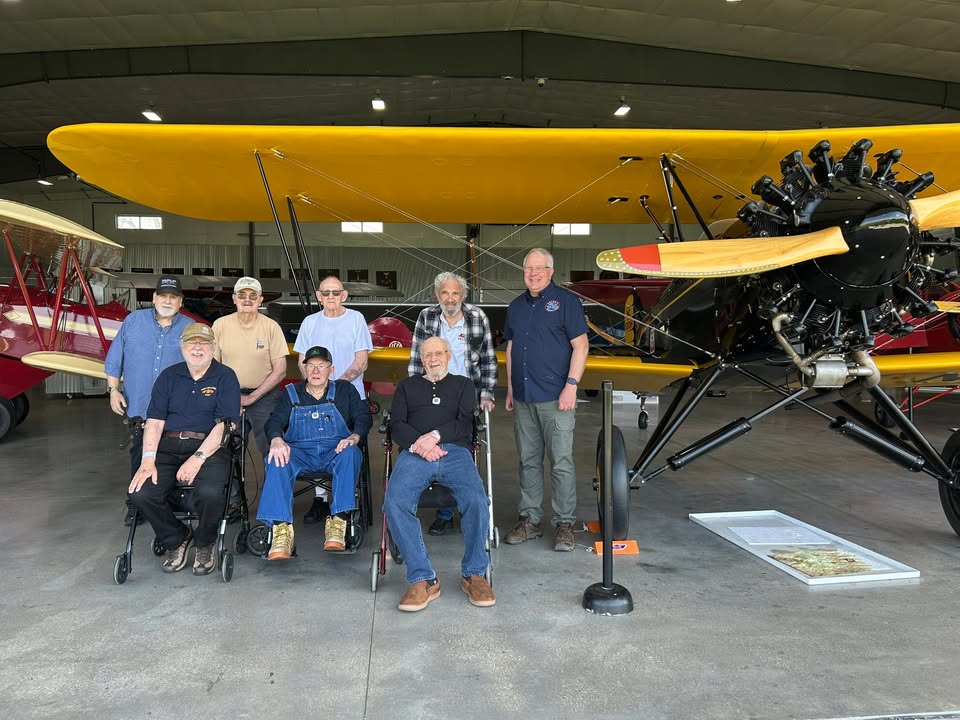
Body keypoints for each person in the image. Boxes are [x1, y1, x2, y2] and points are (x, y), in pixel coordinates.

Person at [383, 336, 495, 612]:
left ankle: (475, 574)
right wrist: (420, 445)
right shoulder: (407, 387)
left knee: (477, 500)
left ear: (448, 355)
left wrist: (434, 436)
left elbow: (464, 423)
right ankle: (423, 578)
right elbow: (396, 424)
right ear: (421, 360)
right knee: (394, 502)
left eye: (438, 353)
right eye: (427, 355)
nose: (433, 359)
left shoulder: (463, 385)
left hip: (455, 452)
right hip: (415, 452)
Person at [128, 323, 241, 576]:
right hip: (167, 448)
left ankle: (205, 542)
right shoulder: (169, 376)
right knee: (140, 493)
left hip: (209, 448)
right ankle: (176, 538)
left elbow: (225, 425)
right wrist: (148, 460)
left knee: (211, 492)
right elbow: (155, 422)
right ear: (182, 347)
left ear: (213, 347)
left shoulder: (225, 376)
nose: (197, 348)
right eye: (192, 343)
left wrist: (197, 458)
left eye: (203, 343)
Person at [503, 248, 589, 552]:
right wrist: (511, 389)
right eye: (528, 268)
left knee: (561, 462)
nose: (533, 273)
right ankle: (530, 519)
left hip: (557, 398)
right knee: (528, 461)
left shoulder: (567, 302)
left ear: (551, 271)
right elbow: (512, 349)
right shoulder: (515, 306)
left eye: (540, 268)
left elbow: (581, 346)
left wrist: (572, 386)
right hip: (525, 397)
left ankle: (564, 524)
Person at [256, 346, 372, 557]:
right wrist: (276, 439)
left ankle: (339, 522)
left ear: (331, 370)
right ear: (304, 369)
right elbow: (275, 420)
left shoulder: (345, 391)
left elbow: (364, 417)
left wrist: (354, 437)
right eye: (311, 366)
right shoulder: (291, 393)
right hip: (300, 453)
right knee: (275, 459)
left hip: (335, 451)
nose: (316, 371)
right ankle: (281, 531)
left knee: (351, 454)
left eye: (321, 366)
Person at [407, 271, 497, 536]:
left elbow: (489, 359)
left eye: (455, 293)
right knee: (433, 446)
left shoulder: (477, 318)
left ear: (463, 295)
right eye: (444, 293)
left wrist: (487, 394)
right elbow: (416, 358)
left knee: (460, 448)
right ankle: (443, 512)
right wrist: (414, 396)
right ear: (437, 295)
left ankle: (466, 506)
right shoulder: (427, 317)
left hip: (465, 393)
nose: (450, 298)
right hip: (432, 390)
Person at [105, 275, 193, 525]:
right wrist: (113, 389)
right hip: (140, 406)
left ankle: (169, 500)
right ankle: (136, 503)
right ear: (154, 298)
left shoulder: (189, 328)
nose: (167, 300)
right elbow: (115, 358)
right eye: (163, 296)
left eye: (173, 297)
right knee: (140, 453)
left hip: (177, 410)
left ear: (180, 301)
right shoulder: (133, 321)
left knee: (173, 454)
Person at [293, 275, 373, 524]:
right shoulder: (309, 322)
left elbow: (361, 360)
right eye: (326, 293)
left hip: (349, 395)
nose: (331, 297)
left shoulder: (356, 319)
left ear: (344, 295)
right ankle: (320, 499)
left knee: (345, 444)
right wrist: (319, 386)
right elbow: (301, 360)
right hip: (316, 394)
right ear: (318, 296)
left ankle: (344, 500)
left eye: (335, 293)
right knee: (315, 440)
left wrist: (338, 387)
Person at [212, 276, 288, 457]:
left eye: (253, 295)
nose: (247, 299)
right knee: (225, 449)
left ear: (260, 299)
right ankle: (232, 487)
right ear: (234, 298)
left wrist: (252, 397)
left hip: (265, 396)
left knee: (272, 447)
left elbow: (280, 370)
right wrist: (233, 396)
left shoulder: (271, 327)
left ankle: (273, 486)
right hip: (230, 396)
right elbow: (213, 367)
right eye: (242, 294)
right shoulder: (220, 325)